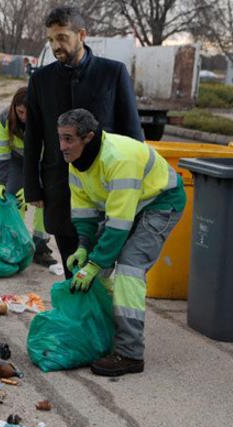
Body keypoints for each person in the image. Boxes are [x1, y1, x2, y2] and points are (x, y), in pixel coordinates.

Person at [59, 109, 185, 377]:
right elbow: (84, 210)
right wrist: (83, 247)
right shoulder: (77, 162)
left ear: (88, 137)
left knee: (129, 267)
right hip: (130, 207)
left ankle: (130, 353)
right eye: (61, 138)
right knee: (95, 269)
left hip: (161, 202)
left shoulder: (119, 158)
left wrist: (95, 262)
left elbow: (117, 225)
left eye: (69, 139)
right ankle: (97, 338)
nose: (63, 147)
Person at [23, 5, 143, 279]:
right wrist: (33, 187)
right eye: (51, 39)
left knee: (102, 268)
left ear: (82, 34)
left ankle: (99, 318)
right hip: (60, 189)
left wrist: (137, 189)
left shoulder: (112, 73)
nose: (56, 45)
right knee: (71, 268)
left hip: (106, 189)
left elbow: (134, 137)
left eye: (63, 37)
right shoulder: (41, 80)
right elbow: (33, 137)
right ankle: (78, 319)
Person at [0, 87, 57, 266]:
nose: (24, 117)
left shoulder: (48, 121)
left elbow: (52, 160)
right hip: (17, 160)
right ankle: (14, 244)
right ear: (14, 108)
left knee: (45, 200)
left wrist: (34, 187)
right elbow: (0, 151)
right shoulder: (5, 118)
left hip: (43, 163)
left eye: (28, 113)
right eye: (20, 112)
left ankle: (40, 246)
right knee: (12, 198)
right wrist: (0, 183)